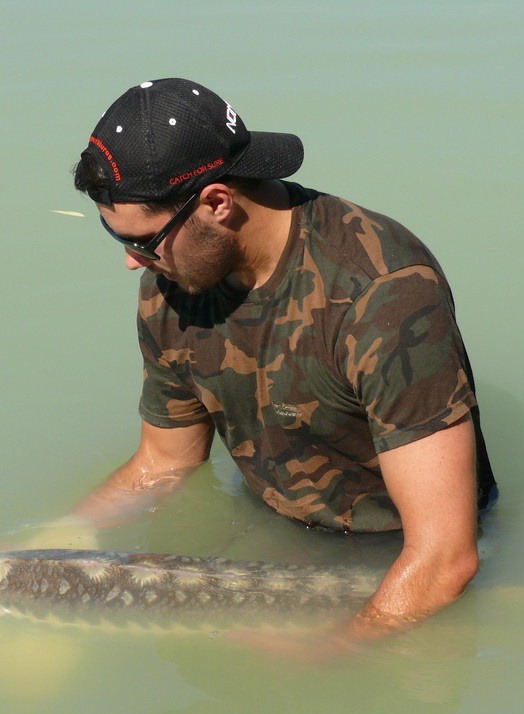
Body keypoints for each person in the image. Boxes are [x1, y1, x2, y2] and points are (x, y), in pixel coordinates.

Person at [68, 77, 496, 649]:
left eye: (145, 241)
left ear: (217, 203)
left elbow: (445, 559)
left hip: (395, 562)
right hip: (278, 534)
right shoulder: (172, 286)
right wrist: (61, 535)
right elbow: (163, 464)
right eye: (117, 236)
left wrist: (329, 651)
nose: (130, 262)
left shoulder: (382, 295)